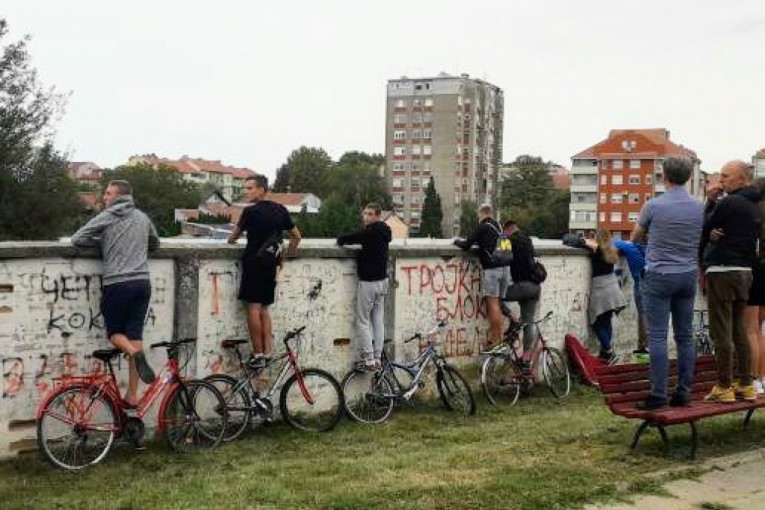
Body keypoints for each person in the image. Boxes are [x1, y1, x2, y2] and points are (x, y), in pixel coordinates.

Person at [71, 180, 159, 408]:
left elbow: (77, 239)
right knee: (135, 336)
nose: (105, 197)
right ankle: (132, 395)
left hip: (118, 284)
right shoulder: (142, 217)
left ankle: (135, 354)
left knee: (115, 334)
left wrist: (104, 243)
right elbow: (155, 244)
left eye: (108, 193)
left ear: (119, 196)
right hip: (142, 283)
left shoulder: (108, 216)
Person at [631, 156, 704, 409]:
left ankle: (658, 395)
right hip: (688, 275)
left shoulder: (653, 205)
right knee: (685, 336)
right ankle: (683, 392)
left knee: (658, 336)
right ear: (689, 177)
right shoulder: (699, 207)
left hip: (659, 275)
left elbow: (635, 237)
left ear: (665, 176)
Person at [700, 160, 761, 403]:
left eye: (725, 176)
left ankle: (724, 386)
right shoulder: (753, 204)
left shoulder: (730, 202)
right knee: (740, 330)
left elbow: (704, 227)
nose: (721, 180)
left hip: (722, 271)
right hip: (744, 272)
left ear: (741, 179)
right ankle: (746, 383)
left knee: (720, 331)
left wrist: (710, 201)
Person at [228, 175, 302, 368]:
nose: (246, 192)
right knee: (265, 309)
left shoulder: (250, 212)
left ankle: (258, 353)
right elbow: (296, 236)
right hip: (271, 264)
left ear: (262, 190)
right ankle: (268, 352)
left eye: (250, 188)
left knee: (253, 308)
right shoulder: (281, 210)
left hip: (253, 263)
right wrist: (288, 255)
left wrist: (235, 234)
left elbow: (232, 238)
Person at [337, 203, 392, 371]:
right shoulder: (385, 230)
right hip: (383, 281)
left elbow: (343, 239)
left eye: (369, 214)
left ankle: (369, 360)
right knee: (378, 319)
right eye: (365, 214)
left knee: (362, 321)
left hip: (369, 282)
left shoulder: (369, 232)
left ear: (378, 215)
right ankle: (377, 357)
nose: (366, 217)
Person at [454, 204, 511, 349]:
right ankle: (499, 337)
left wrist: (456, 241)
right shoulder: (499, 226)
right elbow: (503, 246)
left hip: (492, 270)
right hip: (506, 268)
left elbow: (467, 245)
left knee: (493, 304)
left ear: (481, 214)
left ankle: (497, 340)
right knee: (498, 304)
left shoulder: (483, 227)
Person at [584, 229, 626, 365]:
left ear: (598, 238)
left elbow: (578, 242)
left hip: (601, 289)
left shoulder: (597, 250)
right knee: (607, 321)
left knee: (596, 322)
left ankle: (609, 352)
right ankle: (605, 352)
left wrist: (586, 241)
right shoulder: (612, 251)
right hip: (613, 288)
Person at [501, 220, 541, 357]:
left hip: (522, 287)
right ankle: (526, 358)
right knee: (529, 323)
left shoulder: (508, 240)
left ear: (507, 230)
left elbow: (501, 256)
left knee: (493, 297)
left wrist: (502, 238)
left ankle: (512, 318)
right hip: (535, 287)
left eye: (504, 232)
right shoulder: (528, 240)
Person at [746, 177, 765, 395]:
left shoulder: (753, 212)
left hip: (756, 269)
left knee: (751, 329)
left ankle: (753, 379)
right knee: (762, 329)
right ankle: (763, 377)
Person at [613, 239, 648, 354]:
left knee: (643, 314)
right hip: (655, 282)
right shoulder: (647, 248)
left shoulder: (628, 246)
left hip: (641, 283)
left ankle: (645, 347)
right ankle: (647, 346)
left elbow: (612, 243)